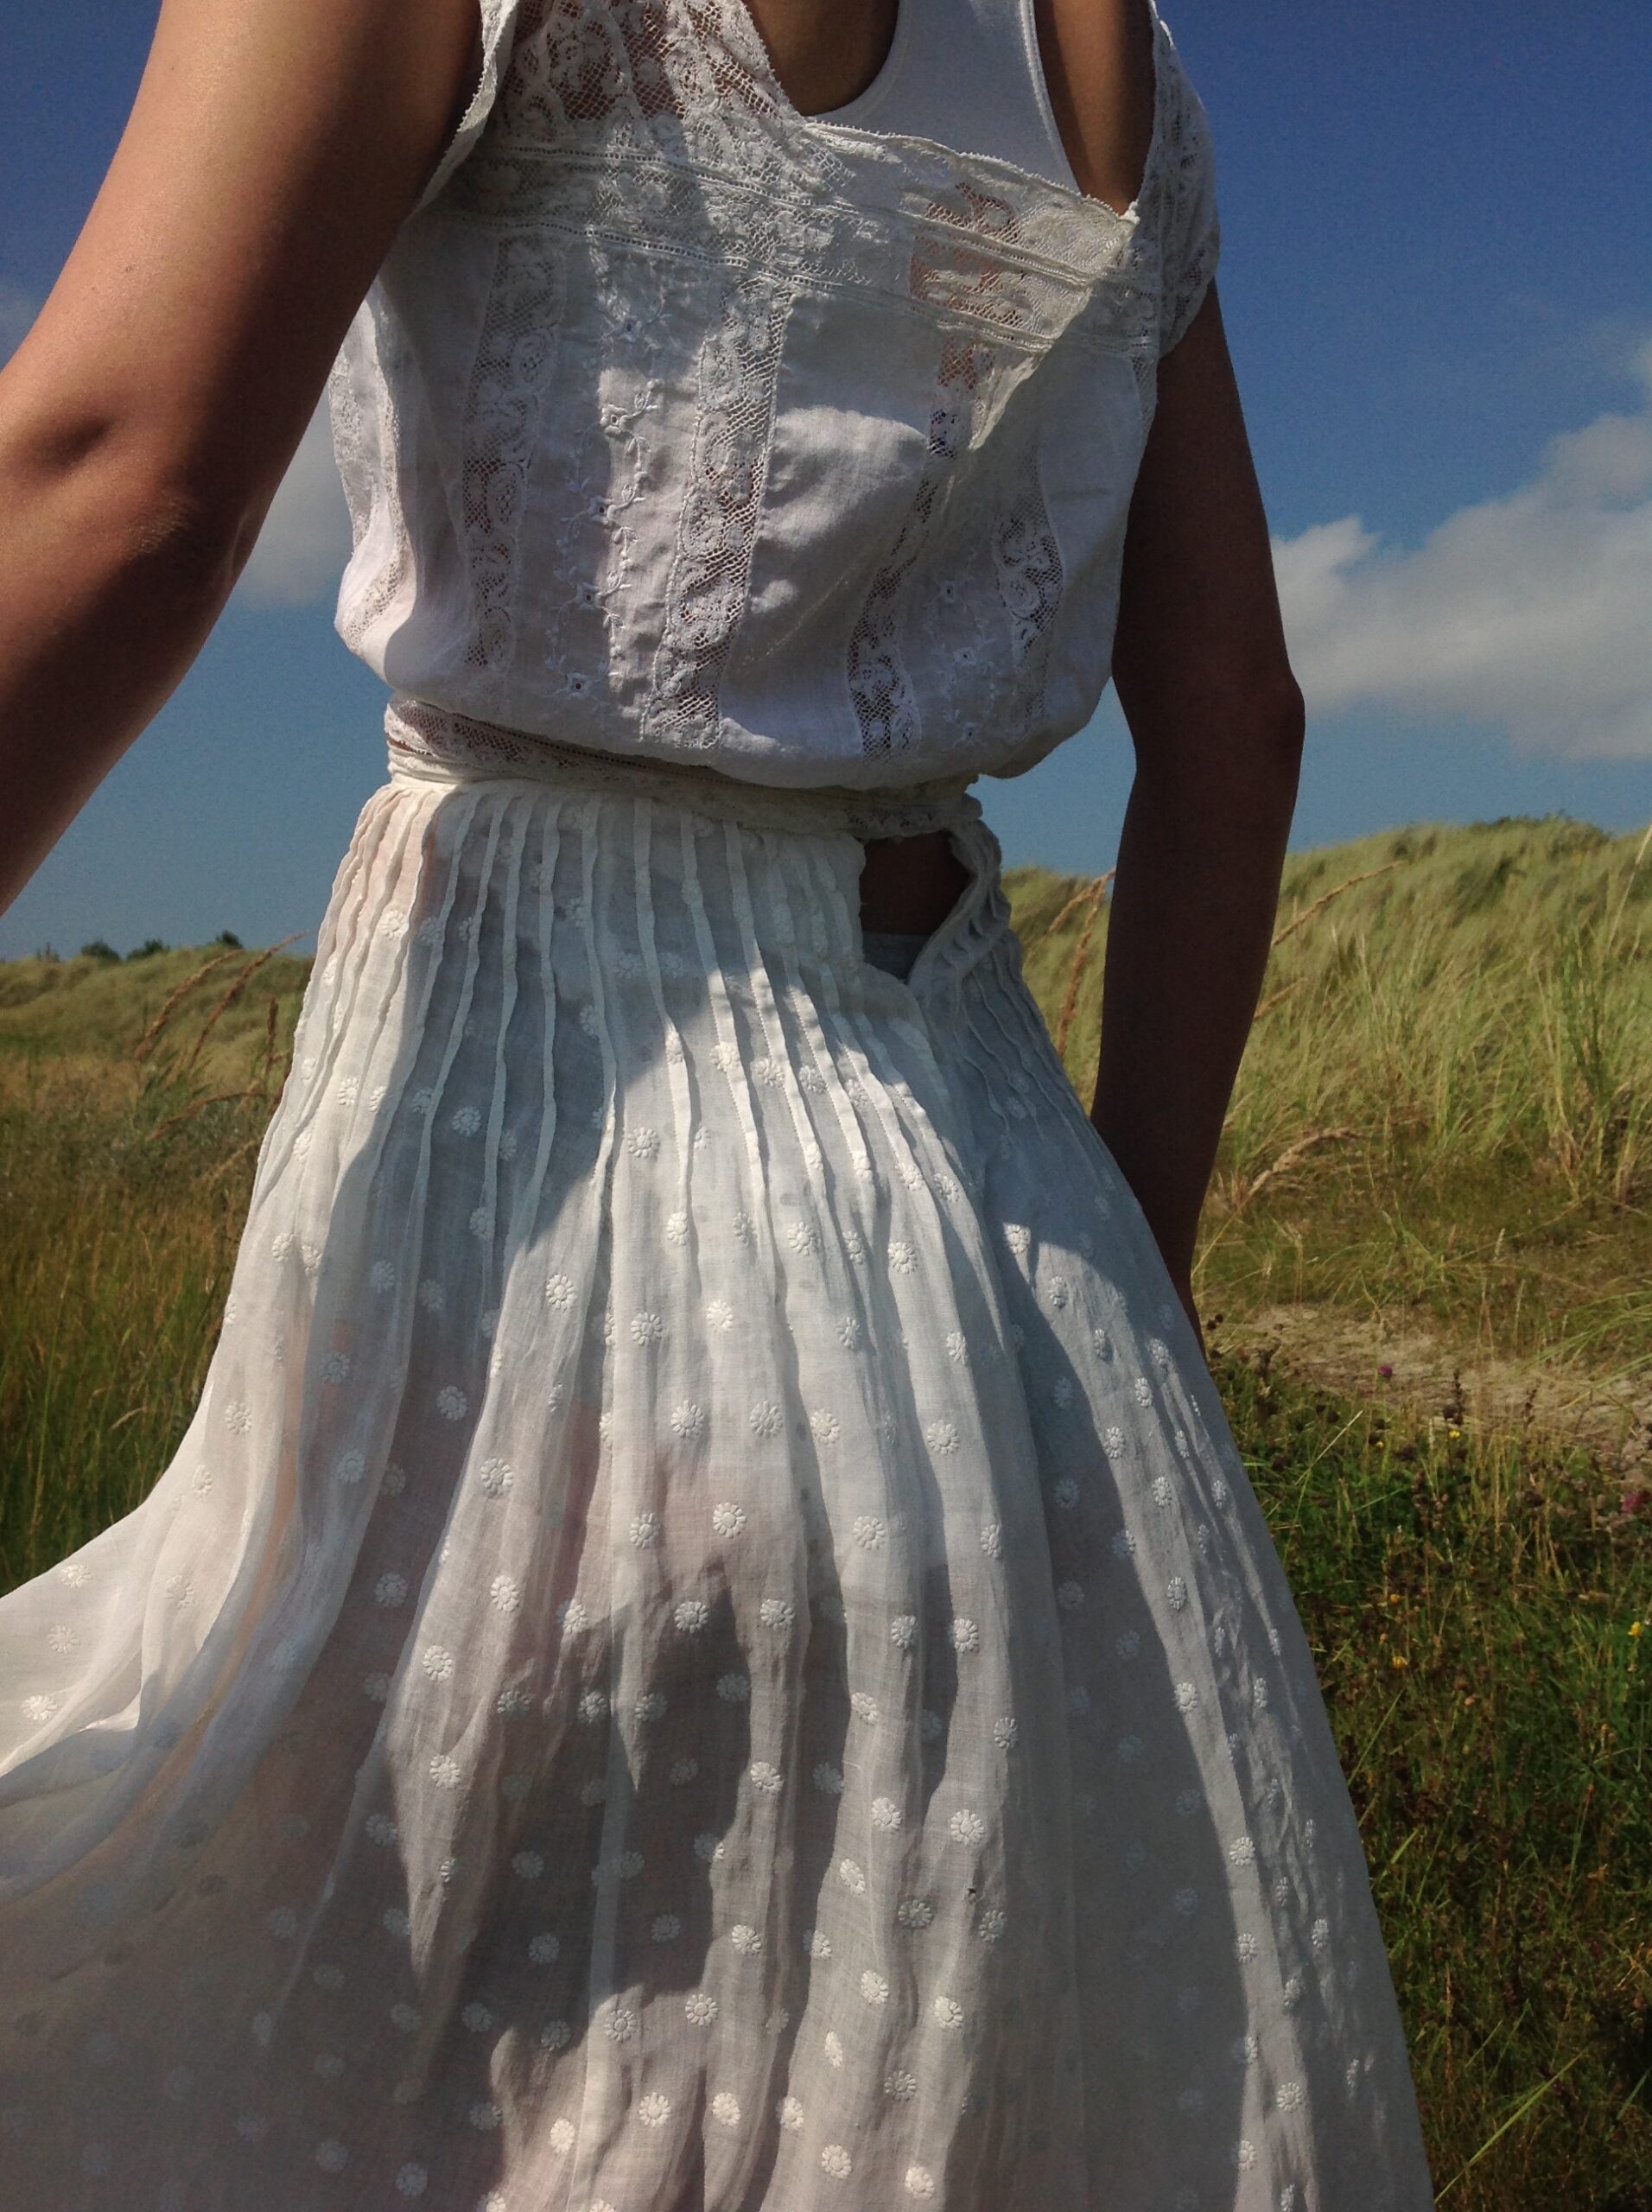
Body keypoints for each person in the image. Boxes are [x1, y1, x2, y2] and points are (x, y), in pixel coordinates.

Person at [0, 0, 1439, 2204]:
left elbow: (122, 481)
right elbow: (1231, 721)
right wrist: (1118, 1319)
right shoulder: (1126, 67)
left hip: (548, 1173)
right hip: (1010, 1222)